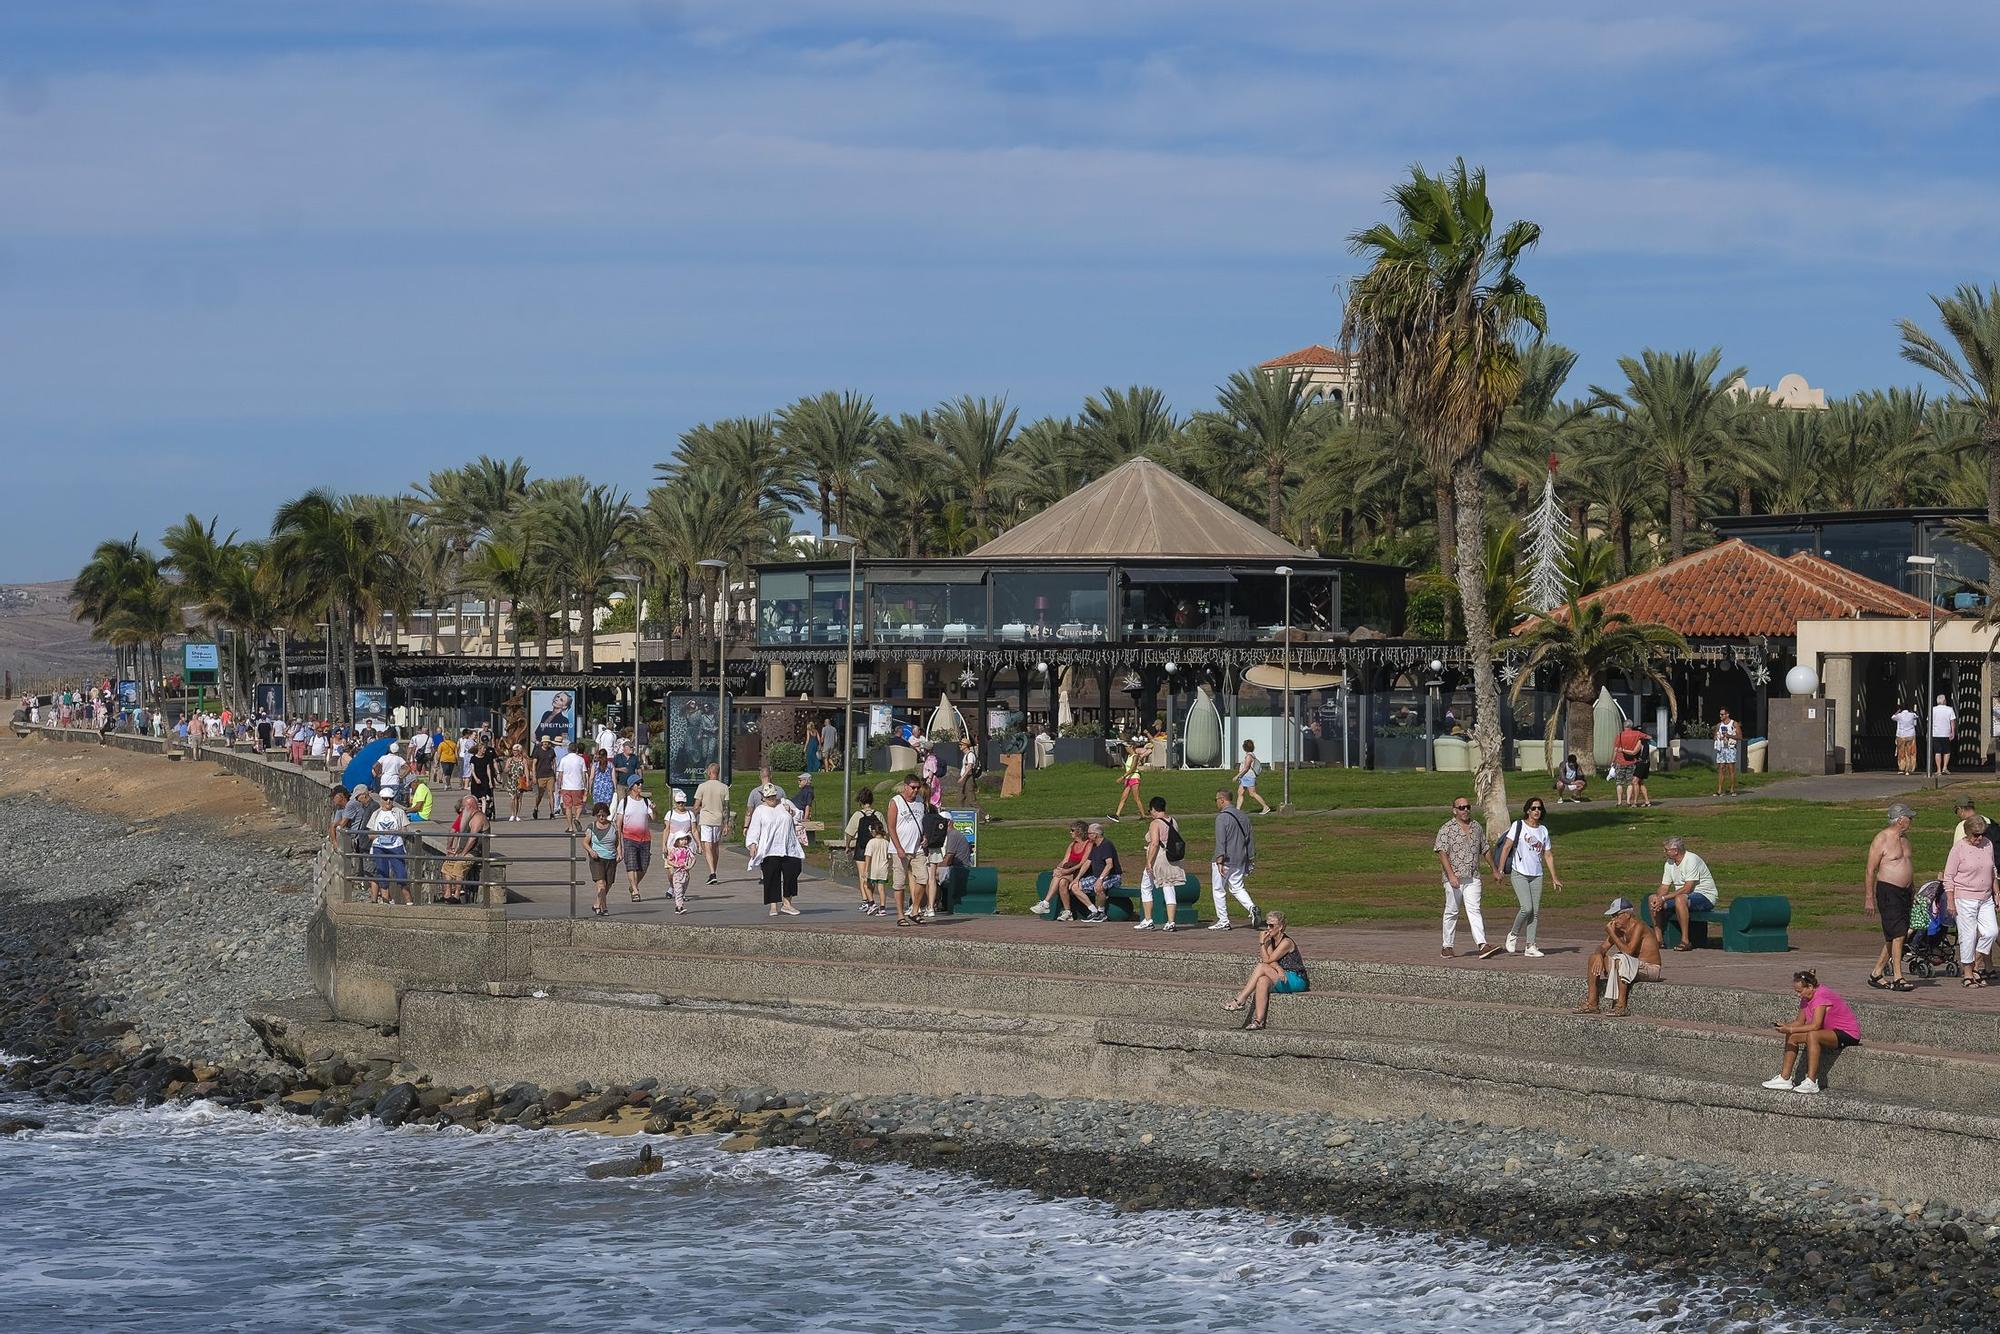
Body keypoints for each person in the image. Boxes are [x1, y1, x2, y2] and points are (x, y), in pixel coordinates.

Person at [1761, 969, 1860, 1095]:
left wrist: (1791, 1028)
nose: (1798, 995)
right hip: (1829, 1032)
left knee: (1813, 1035)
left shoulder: (1820, 996)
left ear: (1810, 987)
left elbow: (1815, 1025)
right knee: (1792, 1035)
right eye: (1797, 992)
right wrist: (1786, 1027)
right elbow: (1799, 1022)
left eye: (1800, 991)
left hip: (1847, 1033)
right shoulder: (1806, 996)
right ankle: (1784, 1078)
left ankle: (1812, 1081)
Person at [1492, 798, 1560, 958]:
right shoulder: (1518, 825)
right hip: (1519, 873)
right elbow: (1507, 847)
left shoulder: (1543, 830)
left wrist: (1554, 877)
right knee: (1526, 908)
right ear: (1527, 810)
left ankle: (1530, 945)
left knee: (1535, 912)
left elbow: (1548, 855)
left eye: (1539, 808)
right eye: (1533, 808)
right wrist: (1500, 870)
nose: (1537, 811)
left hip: (1537, 875)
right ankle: (1513, 934)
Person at [1864, 803, 1918, 992]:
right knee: (1899, 933)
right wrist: (1869, 897)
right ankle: (1897, 976)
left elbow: (1907, 864)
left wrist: (1912, 888)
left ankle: (1877, 973)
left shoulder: (1905, 839)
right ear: (1900, 820)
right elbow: (1871, 870)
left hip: (1904, 892)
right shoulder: (1882, 838)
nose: (1911, 821)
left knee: (1894, 934)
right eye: (1909, 818)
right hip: (1888, 891)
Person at [1222, 912, 1306, 1031]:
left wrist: (1262, 943)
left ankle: (1241, 999)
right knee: (1262, 981)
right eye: (1267, 925)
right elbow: (1270, 961)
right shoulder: (1270, 940)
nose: (1268, 929)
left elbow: (1267, 960)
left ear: (1280, 926)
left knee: (1261, 967)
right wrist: (1278, 968)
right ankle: (1258, 1021)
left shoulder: (1286, 942)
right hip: (1280, 976)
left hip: (1295, 979)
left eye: (1271, 926)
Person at [1577, 898, 1660, 1016]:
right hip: (1630, 966)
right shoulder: (1618, 929)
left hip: (1650, 968)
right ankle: (1592, 1003)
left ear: (1627, 914)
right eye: (1612, 916)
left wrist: (1611, 933)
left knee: (1621, 959)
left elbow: (1629, 951)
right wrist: (1599, 955)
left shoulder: (1639, 926)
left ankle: (1621, 1006)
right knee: (1593, 958)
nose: (1613, 920)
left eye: (1616, 915)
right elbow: (1602, 947)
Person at [1943, 814, 1997, 986]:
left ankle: (1974, 963)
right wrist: (1950, 901)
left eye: (1982, 834)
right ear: (1967, 833)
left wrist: (1997, 893)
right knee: (1968, 935)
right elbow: (1949, 877)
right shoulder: (1958, 849)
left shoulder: (1987, 844)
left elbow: (1992, 870)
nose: (1979, 838)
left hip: (1986, 896)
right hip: (1964, 897)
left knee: (1991, 931)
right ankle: (1968, 973)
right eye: (1975, 835)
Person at [1434, 796, 1488, 959]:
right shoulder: (1446, 828)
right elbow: (1442, 852)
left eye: (1467, 807)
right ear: (1454, 810)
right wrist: (1451, 876)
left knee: (1474, 910)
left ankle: (1482, 944)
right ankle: (1447, 946)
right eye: (1461, 807)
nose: (1465, 810)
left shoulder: (1476, 826)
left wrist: (1495, 870)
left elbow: (1484, 848)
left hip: (1473, 876)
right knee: (1452, 910)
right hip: (1454, 878)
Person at [1648, 835, 1720, 951]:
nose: (1664, 852)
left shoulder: (1691, 859)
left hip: (1704, 896)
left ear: (1675, 851)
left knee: (1680, 899)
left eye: (1666, 850)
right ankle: (1658, 939)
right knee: (1652, 898)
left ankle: (1685, 940)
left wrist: (1664, 898)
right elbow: (1664, 885)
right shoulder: (1669, 863)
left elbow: (1688, 888)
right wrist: (1659, 898)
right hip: (1684, 896)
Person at [744, 783, 804, 917]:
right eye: (768, 797)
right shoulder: (760, 810)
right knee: (771, 876)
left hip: (789, 846)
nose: (771, 799)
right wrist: (753, 844)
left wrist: (792, 811)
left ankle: (787, 903)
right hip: (769, 849)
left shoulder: (784, 803)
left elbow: (799, 816)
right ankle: (773, 905)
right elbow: (754, 829)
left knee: (792, 871)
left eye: (773, 796)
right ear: (763, 798)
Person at [1209, 788, 1261, 931]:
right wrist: (1250, 858)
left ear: (1222, 799)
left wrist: (1219, 860)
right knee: (1237, 887)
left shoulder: (1222, 817)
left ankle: (1223, 920)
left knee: (1219, 889)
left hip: (1225, 859)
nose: (1216, 803)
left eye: (1216, 800)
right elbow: (1250, 839)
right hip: (1241, 858)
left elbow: (1221, 841)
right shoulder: (1243, 815)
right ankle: (1252, 908)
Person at [1134, 796, 1187, 931]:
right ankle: (1171, 921)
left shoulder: (1155, 823)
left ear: (1153, 809)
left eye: (1150, 810)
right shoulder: (1173, 821)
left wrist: (1148, 863)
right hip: (1172, 858)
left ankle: (1148, 919)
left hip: (1159, 858)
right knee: (1169, 888)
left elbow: (1154, 843)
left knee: (1146, 886)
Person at [888, 774, 934, 925]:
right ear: (905, 787)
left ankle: (915, 910)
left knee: (923, 878)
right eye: (913, 787)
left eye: (918, 788)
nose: (915, 791)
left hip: (917, 848)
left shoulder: (920, 802)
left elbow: (922, 822)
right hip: (900, 849)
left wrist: (925, 836)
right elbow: (891, 827)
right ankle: (900, 915)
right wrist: (898, 847)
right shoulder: (896, 802)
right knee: (899, 883)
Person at [1030, 821, 1091, 920]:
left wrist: (1065, 871)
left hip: (1081, 872)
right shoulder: (1072, 845)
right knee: (1062, 883)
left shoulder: (1088, 844)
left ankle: (1045, 903)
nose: (1070, 832)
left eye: (1072, 830)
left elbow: (1083, 863)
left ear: (1079, 832)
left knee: (1059, 876)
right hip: (1070, 871)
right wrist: (1058, 868)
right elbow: (1065, 860)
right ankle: (1068, 912)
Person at [611, 775, 655, 903]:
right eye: (637, 784)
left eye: (641, 783)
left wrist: (654, 809)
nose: (640, 785)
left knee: (644, 866)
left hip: (645, 839)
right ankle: (635, 890)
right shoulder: (624, 802)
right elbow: (618, 825)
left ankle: (633, 885)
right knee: (631, 865)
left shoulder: (646, 802)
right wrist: (619, 846)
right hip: (629, 838)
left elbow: (654, 818)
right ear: (631, 787)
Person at [366, 790, 413, 906]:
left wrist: (393, 832)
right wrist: (382, 833)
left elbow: (405, 831)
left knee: (401, 875)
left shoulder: (399, 812)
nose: (388, 801)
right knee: (382, 876)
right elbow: (370, 835)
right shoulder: (376, 814)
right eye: (386, 798)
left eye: (391, 799)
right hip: (379, 847)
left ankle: (410, 903)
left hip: (396, 846)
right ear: (381, 799)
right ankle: (386, 903)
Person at [440, 795, 487, 905]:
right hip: (462, 850)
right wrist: (453, 850)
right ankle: (447, 893)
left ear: (470, 806)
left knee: (459, 864)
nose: (461, 809)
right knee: (447, 864)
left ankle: (457, 895)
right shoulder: (466, 816)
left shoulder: (478, 817)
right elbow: (455, 833)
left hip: (474, 852)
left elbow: (472, 838)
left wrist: (463, 853)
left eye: (464, 806)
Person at [1074, 822, 1121, 924]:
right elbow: (1087, 863)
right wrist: (1077, 878)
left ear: (1096, 834)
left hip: (1112, 876)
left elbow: (1109, 865)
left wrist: (1100, 879)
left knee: (1099, 887)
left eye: (1089, 833)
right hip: (1097, 876)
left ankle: (1101, 912)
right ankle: (1093, 910)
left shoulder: (1106, 845)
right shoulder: (1094, 846)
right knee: (1075, 887)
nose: (1087, 835)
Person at [694, 763, 731, 885]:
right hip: (718, 819)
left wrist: (698, 811)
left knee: (707, 846)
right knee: (715, 846)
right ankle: (714, 871)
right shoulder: (724, 787)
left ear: (709, 773)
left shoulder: (702, 786)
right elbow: (726, 808)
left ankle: (712, 873)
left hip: (705, 819)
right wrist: (726, 824)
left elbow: (696, 806)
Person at [845, 790, 880, 913]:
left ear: (860, 801)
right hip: (875, 848)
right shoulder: (878, 814)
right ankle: (872, 898)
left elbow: (849, 833)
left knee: (862, 875)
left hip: (861, 848)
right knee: (872, 875)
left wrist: (847, 845)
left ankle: (866, 901)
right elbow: (884, 831)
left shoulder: (857, 815)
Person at [585, 801, 618, 917]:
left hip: (611, 858)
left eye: (603, 815)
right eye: (598, 815)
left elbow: (618, 842)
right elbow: (585, 843)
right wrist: (591, 851)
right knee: (601, 884)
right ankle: (604, 907)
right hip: (597, 859)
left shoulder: (613, 825)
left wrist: (620, 852)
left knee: (608, 884)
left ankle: (597, 904)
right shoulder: (592, 827)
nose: (601, 817)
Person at [1111, 735, 1150, 821]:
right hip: (1129, 778)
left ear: (1131, 747)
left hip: (1134, 777)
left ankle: (1143, 815)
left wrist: (1122, 777)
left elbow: (1132, 769)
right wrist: (1126, 778)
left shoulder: (1135, 756)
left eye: (1127, 747)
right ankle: (1117, 815)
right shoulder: (1129, 756)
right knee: (1123, 797)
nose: (1126, 748)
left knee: (1136, 797)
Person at [556, 740, 590, 832]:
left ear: (568, 749)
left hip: (566, 786)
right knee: (578, 806)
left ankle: (570, 827)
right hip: (578, 786)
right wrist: (586, 786)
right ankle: (577, 818)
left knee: (568, 807)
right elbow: (584, 774)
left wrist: (558, 787)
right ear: (577, 750)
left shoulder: (564, 759)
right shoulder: (580, 759)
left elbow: (560, 775)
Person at [1613, 721, 1648, 807]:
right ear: (1631, 726)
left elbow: (1616, 750)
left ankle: (1619, 801)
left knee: (1619, 783)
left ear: (1624, 726)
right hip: (1632, 761)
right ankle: (1628, 801)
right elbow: (1647, 737)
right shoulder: (1637, 735)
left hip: (1620, 761)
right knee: (1630, 783)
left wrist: (1613, 761)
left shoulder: (1620, 735)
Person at [862, 818, 893, 919]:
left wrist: (865, 870)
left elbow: (868, 856)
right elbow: (889, 857)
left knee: (866, 885)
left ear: (873, 831)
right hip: (883, 868)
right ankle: (883, 908)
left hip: (873, 869)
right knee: (881, 889)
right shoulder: (886, 843)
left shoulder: (871, 842)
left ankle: (872, 902)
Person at [1234, 739, 1272, 815]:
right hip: (1245, 777)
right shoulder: (1250, 755)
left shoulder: (1249, 756)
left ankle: (1265, 807)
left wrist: (1237, 776)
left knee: (1252, 793)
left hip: (1248, 777)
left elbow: (1246, 768)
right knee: (1240, 792)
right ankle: (1237, 811)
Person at [1713, 708, 1741, 796]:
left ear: (1727, 714)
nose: (1720, 716)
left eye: (1722, 714)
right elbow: (1714, 736)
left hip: (1730, 748)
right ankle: (1720, 790)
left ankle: (1732, 789)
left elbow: (1740, 736)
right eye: (1720, 714)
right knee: (1721, 768)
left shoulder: (1734, 724)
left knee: (1731, 769)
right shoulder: (1719, 725)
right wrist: (1718, 737)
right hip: (1721, 748)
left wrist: (1729, 735)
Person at [666, 830, 694, 914]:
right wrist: (675, 865)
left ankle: (679, 905)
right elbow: (669, 860)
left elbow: (693, 859)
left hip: (685, 873)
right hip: (677, 873)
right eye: (681, 840)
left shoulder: (688, 850)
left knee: (683, 890)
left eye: (685, 839)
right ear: (677, 842)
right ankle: (679, 907)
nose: (684, 841)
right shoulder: (674, 851)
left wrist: (689, 866)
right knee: (678, 890)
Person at [530, 736, 558, 819]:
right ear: (542, 742)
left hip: (550, 775)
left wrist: (555, 773)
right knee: (540, 794)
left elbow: (554, 763)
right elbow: (534, 764)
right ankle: (536, 807)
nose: (546, 743)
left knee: (550, 793)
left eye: (547, 742)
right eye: (544, 742)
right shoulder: (537, 751)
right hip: (540, 775)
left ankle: (552, 812)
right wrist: (534, 776)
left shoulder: (551, 751)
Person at [468, 738, 496, 817]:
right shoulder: (473, 758)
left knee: (484, 797)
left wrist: (490, 780)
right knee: (476, 798)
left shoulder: (486, 758)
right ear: (479, 749)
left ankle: (483, 814)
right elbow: (472, 770)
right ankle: (477, 813)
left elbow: (488, 770)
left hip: (484, 779)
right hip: (476, 779)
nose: (485, 750)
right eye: (484, 749)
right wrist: (476, 778)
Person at [1891, 702, 1920, 776]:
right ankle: (1909, 768)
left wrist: (1898, 711)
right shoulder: (1912, 715)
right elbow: (1917, 716)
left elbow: (1892, 717)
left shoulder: (1899, 715)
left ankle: (1902, 768)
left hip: (1901, 735)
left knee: (1901, 752)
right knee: (1910, 752)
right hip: (1911, 735)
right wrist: (1911, 710)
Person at [1931, 693, 1956, 776]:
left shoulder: (1933, 709)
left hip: (1935, 733)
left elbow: (1929, 722)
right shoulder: (1950, 709)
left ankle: (1938, 770)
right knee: (1947, 752)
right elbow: (1952, 722)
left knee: (1937, 752)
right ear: (1944, 701)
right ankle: (1944, 767)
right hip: (1946, 733)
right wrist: (1953, 732)